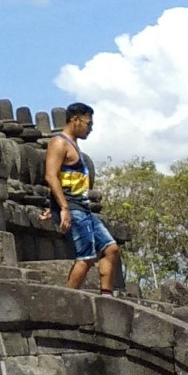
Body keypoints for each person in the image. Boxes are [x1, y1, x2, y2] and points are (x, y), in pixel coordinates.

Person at [45, 102, 121, 293]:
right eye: (88, 124)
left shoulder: (74, 145)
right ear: (75, 120)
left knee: (110, 248)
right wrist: (62, 207)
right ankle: (68, 300)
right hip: (73, 208)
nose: (90, 129)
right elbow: (51, 175)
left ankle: (106, 296)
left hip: (83, 207)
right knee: (86, 257)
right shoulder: (59, 142)